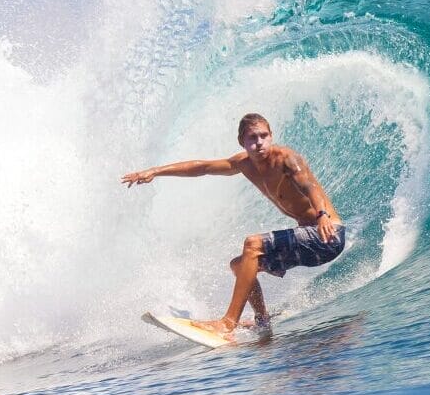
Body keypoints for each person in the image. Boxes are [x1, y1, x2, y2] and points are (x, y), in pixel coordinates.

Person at [121, 113, 345, 338]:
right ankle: (262, 320)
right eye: (252, 138)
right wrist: (155, 171)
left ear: (271, 135)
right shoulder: (244, 164)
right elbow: (203, 167)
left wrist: (322, 215)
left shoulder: (287, 159)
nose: (259, 142)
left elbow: (310, 187)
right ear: (242, 142)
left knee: (252, 244)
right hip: (309, 240)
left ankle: (227, 323)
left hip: (327, 235)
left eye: (264, 136)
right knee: (240, 266)